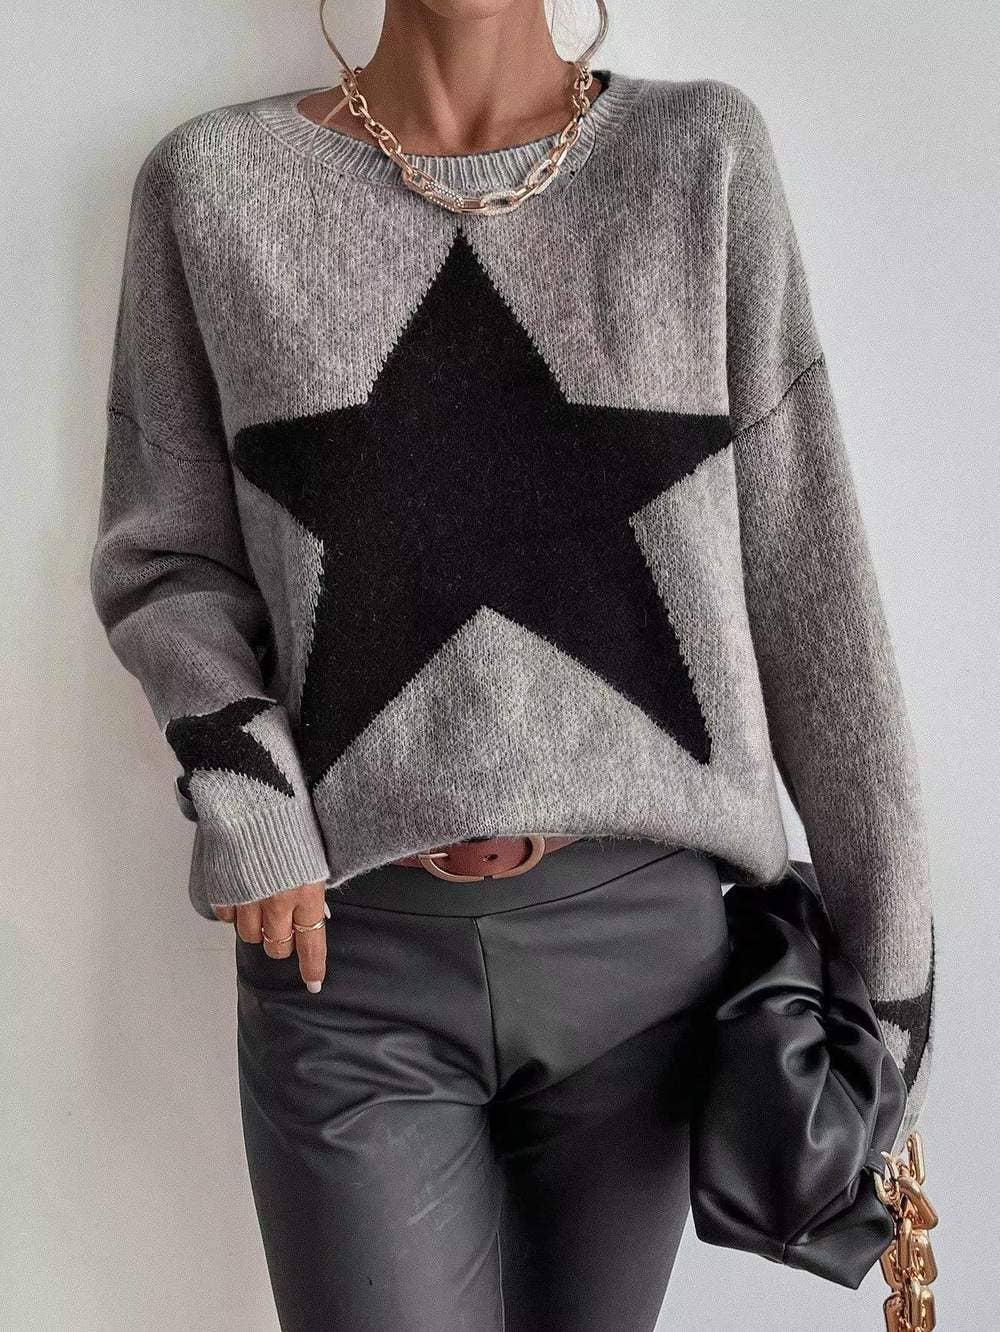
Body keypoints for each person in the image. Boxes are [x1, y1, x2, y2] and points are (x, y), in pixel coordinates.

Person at [88, 1, 936, 1327]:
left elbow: (807, 573)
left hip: (650, 965)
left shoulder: (700, 158)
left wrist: (887, 993)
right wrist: (247, 795)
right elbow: (166, 560)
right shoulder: (214, 186)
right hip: (348, 960)